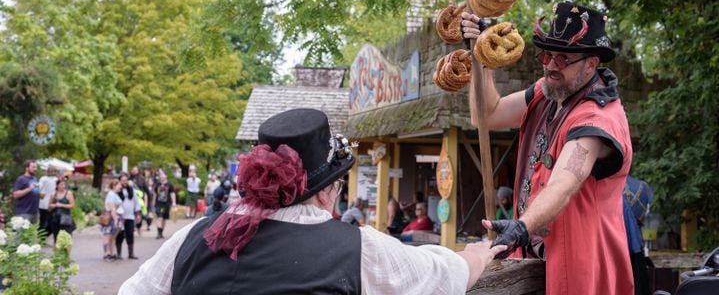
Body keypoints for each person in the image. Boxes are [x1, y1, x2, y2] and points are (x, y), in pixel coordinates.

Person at [119, 108, 506, 294]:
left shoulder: (193, 237)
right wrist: (480, 254)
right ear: (325, 190)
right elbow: (445, 276)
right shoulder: (358, 248)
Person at [461, 2, 634, 294]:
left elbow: (564, 183)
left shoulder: (598, 117)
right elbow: (485, 116)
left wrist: (521, 226)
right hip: (533, 261)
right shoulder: (547, 91)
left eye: (563, 58)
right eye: (547, 54)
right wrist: (482, 58)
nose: (552, 65)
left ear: (591, 64)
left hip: (581, 267)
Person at [624, 176, 654, 295]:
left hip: (610, 241)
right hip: (635, 243)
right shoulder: (643, 187)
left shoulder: (603, 185)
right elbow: (645, 214)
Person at [116, 173, 141, 259]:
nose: (125, 182)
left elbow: (136, 203)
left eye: (126, 180)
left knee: (130, 234)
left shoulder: (132, 191)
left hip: (130, 216)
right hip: (120, 217)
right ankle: (118, 254)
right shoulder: (117, 191)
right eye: (123, 180)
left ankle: (131, 253)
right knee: (120, 235)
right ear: (120, 181)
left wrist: (138, 214)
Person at [49, 178, 75, 246]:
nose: (63, 186)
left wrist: (62, 205)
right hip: (55, 219)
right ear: (57, 185)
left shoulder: (68, 193)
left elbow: (72, 205)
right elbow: (49, 207)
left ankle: (67, 255)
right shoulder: (53, 194)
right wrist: (53, 206)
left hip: (65, 218)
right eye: (61, 184)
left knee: (67, 238)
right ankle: (57, 254)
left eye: (64, 184)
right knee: (56, 238)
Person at [103, 179, 123, 261]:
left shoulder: (114, 194)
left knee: (113, 237)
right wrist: (115, 219)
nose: (120, 187)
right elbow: (112, 208)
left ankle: (112, 253)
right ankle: (107, 254)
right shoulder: (111, 195)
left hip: (115, 217)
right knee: (108, 236)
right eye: (119, 185)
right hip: (112, 218)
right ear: (114, 186)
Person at [153, 171, 176, 239]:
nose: (161, 176)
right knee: (159, 217)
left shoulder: (169, 184)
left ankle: (161, 232)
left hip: (166, 203)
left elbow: (172, 193)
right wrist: (153, 202)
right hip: (158, 203)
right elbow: (154, 194)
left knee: (164, 218)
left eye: (163, 174)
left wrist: (174, 202)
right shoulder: (157, 184)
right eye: (160, 175)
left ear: (166, 176)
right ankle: (158, 233)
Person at [38, 166, 58, 234]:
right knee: (45, 222)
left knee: (44, 222)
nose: (53, 172)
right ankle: (42, 237)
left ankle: (42, 237)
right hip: (46, 203)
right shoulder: (45, 179)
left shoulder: (54, 179)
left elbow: (39, 188)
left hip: (47, 203)